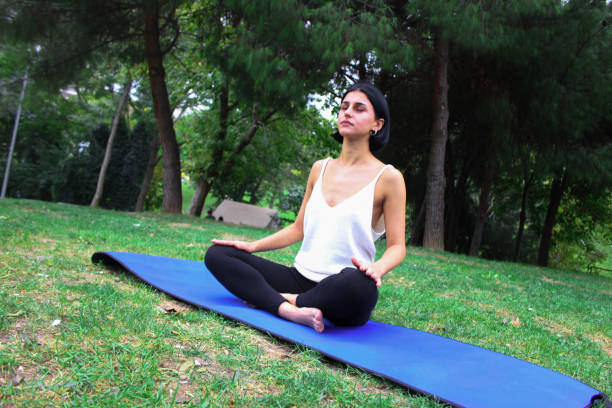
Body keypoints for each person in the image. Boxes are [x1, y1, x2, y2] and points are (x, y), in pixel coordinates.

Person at [205, 83, 406, 333]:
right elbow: (298, 228)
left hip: (343, 286)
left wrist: (376, 268)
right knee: (218, 254)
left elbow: (397, 246)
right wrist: (252, 246)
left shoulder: (389, 178)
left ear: (378, 124)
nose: (347, 112)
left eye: (359, 108)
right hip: (299, 278)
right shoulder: (319, 168)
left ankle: (288, 300)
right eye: (343, 107)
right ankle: (287, 309)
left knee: (360, 286)